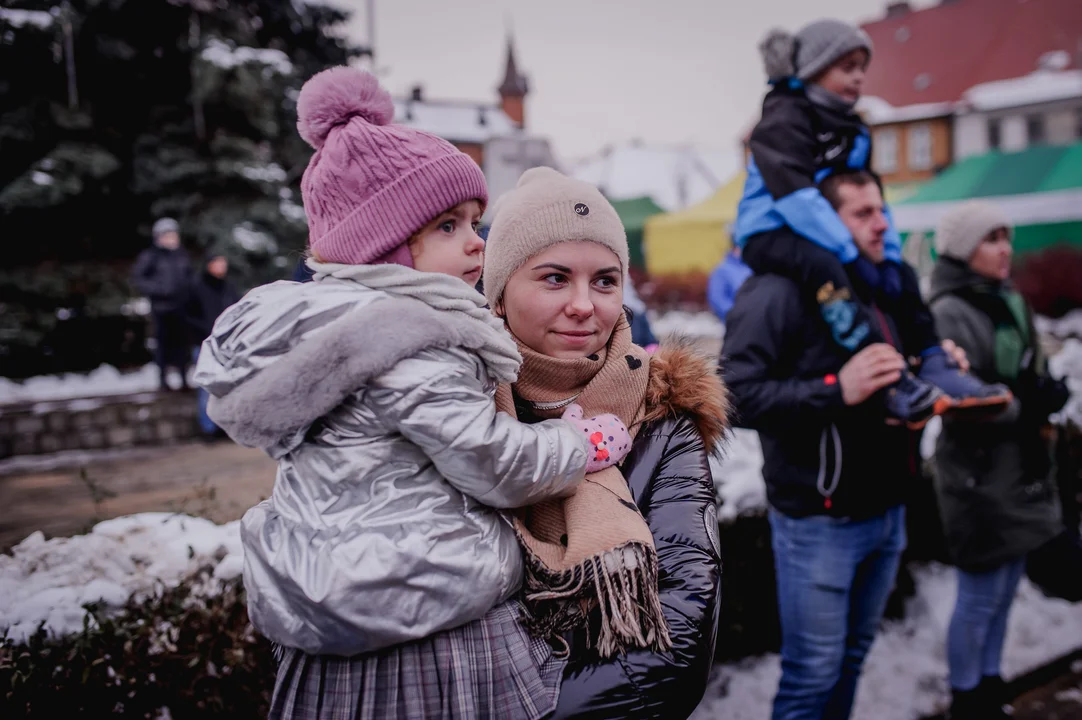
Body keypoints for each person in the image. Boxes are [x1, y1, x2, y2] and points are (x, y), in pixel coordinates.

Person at [195, 68, 630, 719]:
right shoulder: (412, 337)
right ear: (389, 247)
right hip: (427, 620)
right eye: (450, 226)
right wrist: (578, 441)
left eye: (475, 222)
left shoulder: (325, 330)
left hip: (327, 623)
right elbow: (494, 463)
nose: (476, 241)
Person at [482, 167, 727, 719]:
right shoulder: (454, 413)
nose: (583, 304)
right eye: (553, 278)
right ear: (498, 295)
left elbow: (679, 638)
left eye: (604, 280)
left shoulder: (663, 418)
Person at [724, 171, 965, 720]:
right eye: (863, 214)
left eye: (881, 209)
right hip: (819, 522)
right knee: (812, 677)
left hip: (890, 508)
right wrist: (838, 389)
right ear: (822, 222)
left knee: (852, 660)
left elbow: (899, 377)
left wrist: (935, 364)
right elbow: (730, 396)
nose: (883, 223)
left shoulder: (885, 282)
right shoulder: (777, 288)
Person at [733, 19, 1010, 428]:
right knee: (825, 269)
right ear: (812, 68)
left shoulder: (851, 126)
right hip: (771, 230)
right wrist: (848, 250)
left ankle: (932, 360)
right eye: (847, 66)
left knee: (899, 271)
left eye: (863, 66)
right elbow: (796, 197)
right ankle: (886, 377)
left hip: (827, 227)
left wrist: (890, 257)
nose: (859, 76)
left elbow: (866, 189)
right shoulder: (783, 118)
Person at [927, 201, 1069, 720]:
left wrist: (1045, 385)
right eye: (992, 239)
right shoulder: (948, 310)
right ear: (965, 249)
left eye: (1007, 237)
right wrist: (1024, 403)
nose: (1005, 248)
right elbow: (962, 399)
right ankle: (968, 696)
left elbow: (1031, 361)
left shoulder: (1008, 298)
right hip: (977, 477)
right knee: (981, 594)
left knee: (1006, 590)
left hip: (1021, 468)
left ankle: (990, 684)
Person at [131, 217, 192, 390]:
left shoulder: (181, 256)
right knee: (163, 344)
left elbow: (188, 277)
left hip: (180, 306)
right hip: (161, 308)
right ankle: (163, 380)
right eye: (168, 235)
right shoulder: (151, 256)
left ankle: (183, 378)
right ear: (159, 238)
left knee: (182, 344)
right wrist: (159, 289)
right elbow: (139, 279)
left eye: (174, 235)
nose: (172, 238)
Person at [185, 252, 239, 437]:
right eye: (218, 262)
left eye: (223, 262)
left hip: (227, 343)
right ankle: (208, 428)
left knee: (228, 386)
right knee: (207, 388)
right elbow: (187, 315)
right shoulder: (196, 287)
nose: (222, 266)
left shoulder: (228, 287)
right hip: (204, 343)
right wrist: (205, 330)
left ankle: (225, 427)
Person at [707, 246, 753, 323]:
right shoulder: (722, 270)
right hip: (734, 321)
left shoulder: (752, 267)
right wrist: (737, 314)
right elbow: (717, 298)